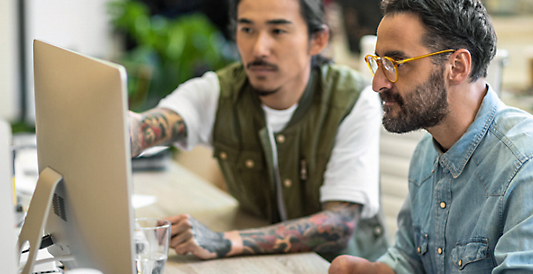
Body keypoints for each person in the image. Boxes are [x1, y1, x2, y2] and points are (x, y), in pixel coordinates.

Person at [328, 0, 533, 273]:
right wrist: (368, 270)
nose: (378, 83)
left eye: (396, 62)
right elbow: (411, 260)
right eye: (379, 63)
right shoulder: (427, 152)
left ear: (457, 66)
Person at [128, 0, 390, 261]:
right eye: (247, 30)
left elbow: (339, 224)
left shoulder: (352, 99)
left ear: (318, 40)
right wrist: (124, 129)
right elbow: (143, 128)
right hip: (263, 262)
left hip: (340, 266)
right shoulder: (218, 92)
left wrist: (220, 241)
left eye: (277, 31)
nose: (258, 48)